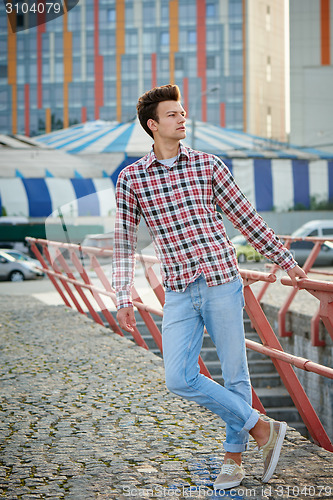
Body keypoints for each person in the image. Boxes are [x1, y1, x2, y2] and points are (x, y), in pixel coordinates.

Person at [112, 84, 307, 490]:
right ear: (152, 125)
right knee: (179, 378)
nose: (182, 118)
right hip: (180, 288)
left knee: (236, 376)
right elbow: (123, 242)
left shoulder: (209, 165)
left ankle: (233, 461)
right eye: (172, 114)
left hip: (221, 281)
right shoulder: (132, 178)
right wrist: (123, 295)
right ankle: (262, 429)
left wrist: (287, 262)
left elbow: (247, 219)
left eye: (183, 112)